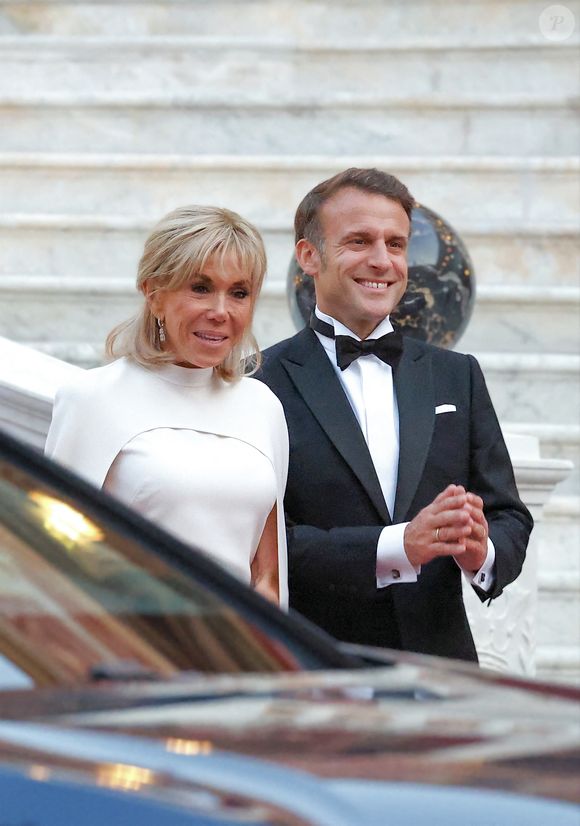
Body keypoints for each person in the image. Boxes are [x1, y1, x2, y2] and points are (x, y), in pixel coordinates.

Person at [257, 168, 532, 659]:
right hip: (317, 670)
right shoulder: (260, 382)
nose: (382, 261)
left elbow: (508, 513)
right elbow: (268, 545)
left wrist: (480, 550)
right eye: (359, 241)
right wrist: (398, 545)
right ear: (308, 256)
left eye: (396, 243)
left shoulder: (457, 375)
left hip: (442, 672)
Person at [46, 205, 289, 606]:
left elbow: (268, 574)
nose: (220, 311)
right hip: (134, 650)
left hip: (237, 654)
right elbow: (57, 562)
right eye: (200, 287)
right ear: (154, 294)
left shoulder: (262, 405)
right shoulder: (92, 398)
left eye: (239, 293)